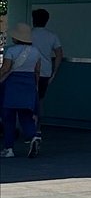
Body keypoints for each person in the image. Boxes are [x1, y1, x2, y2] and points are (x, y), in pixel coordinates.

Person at [0, 23, 42, 158]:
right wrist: (35, 86)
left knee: (8, 117)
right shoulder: (35, 51)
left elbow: (6, 69)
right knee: (26, 114)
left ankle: (9, 148)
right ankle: (33, 136)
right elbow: (37, 71)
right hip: (29, 83)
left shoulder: (11, 51)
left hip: (12, 84)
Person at [30, 8, 63, 135]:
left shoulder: (28, 34)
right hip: (45, 71)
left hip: (28, 71)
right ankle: (37, 127)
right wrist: (54, 72)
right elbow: (59, 54)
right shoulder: (52, 36)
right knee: (40, 100)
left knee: (27, 98)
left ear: (34, 20)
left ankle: (27, 124)